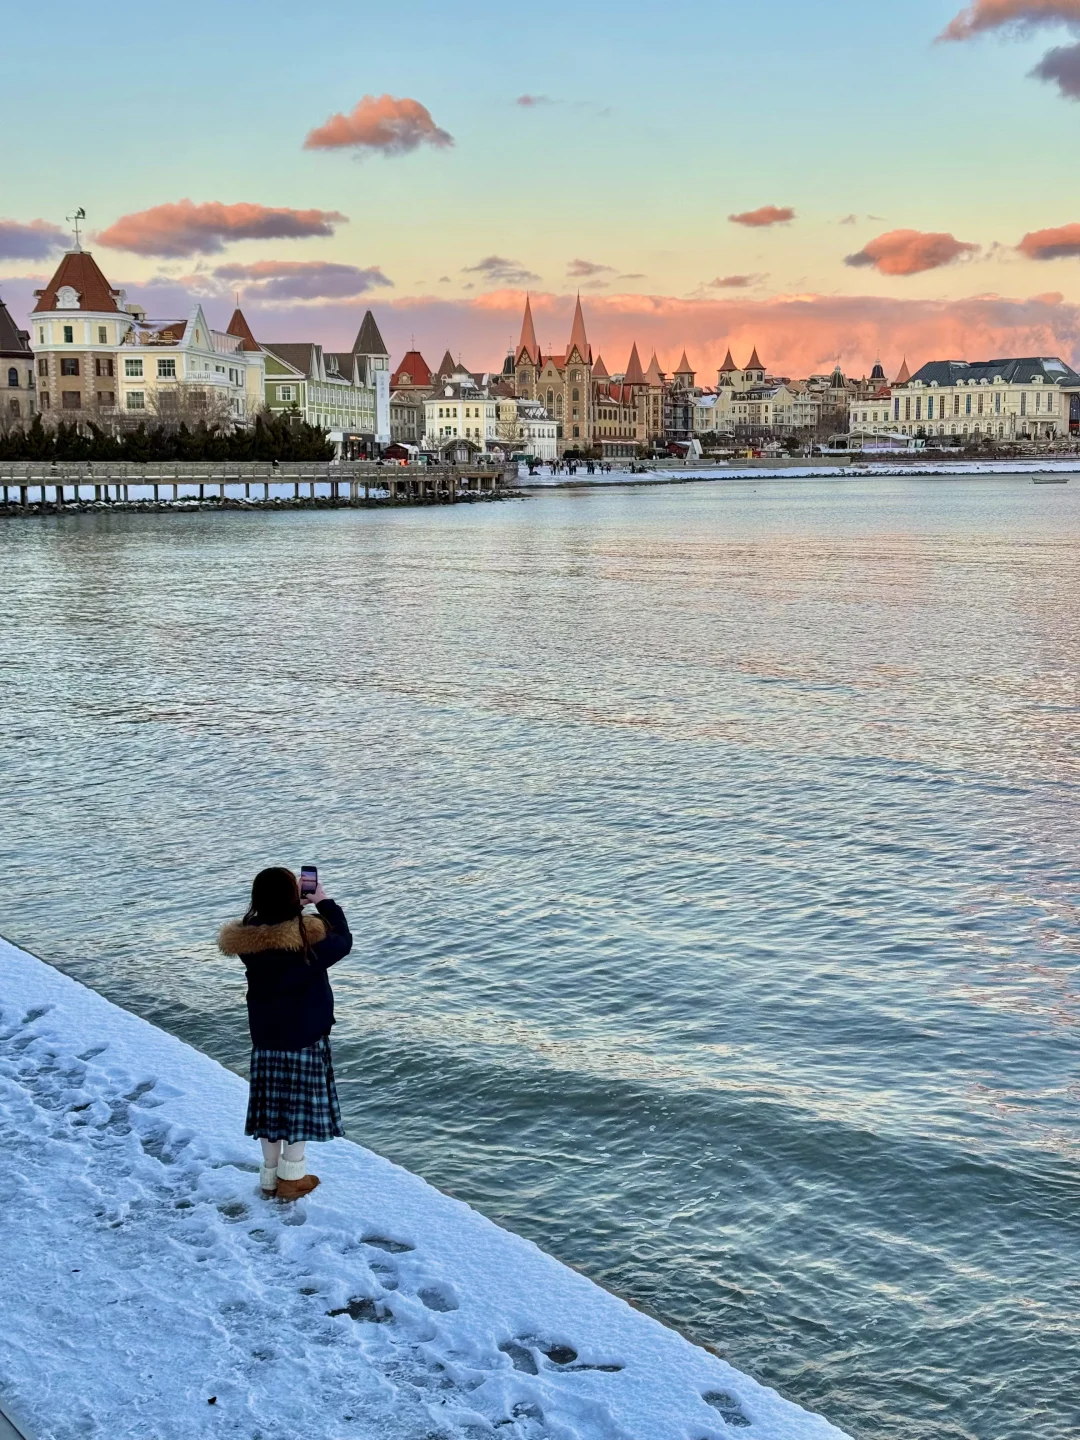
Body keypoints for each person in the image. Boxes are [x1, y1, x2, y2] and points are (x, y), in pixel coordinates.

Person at [218, 868, 352, 1200]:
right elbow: (343, 941)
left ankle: (268, 1177)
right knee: (298, 1110)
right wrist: (322, 902)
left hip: (265, 1036)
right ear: (294, 897)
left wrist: (294, 908)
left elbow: (274, 928)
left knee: (270, 1108)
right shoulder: (308, 939)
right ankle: (291, 1178)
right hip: (304, 1036)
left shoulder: (248, 940)